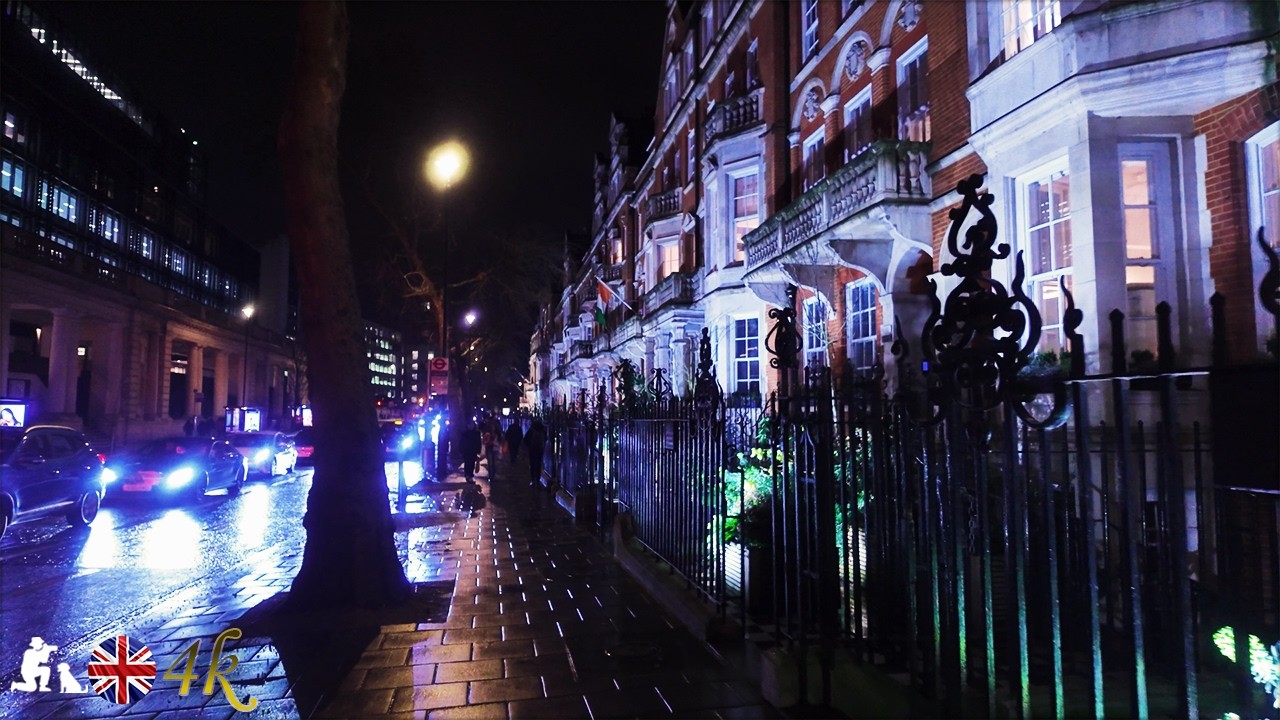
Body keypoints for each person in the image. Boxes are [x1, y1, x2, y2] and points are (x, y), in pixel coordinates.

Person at [524, 419, 546, 488]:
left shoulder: (531, 430)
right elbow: (546, 438)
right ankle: (538, 480)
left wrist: (529, 446)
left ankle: (533, 480)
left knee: (532, 465)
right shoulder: (542, 431)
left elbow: (525, 439)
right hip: (539, 450)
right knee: (538, 465)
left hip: (532, 450)